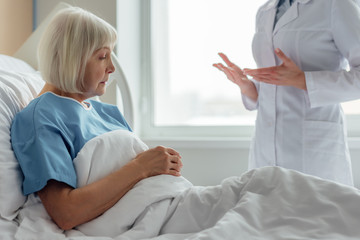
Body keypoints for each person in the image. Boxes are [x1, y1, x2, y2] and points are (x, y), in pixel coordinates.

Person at [10, 7, 183, 231]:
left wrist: (162, 165)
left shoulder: (109, 113)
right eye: (102, 57)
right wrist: (142, 166)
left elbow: (144, 185)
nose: (111, 68)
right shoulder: (42, 117)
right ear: (72, 59)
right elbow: (66, 212)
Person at [213, 0, 360, 186]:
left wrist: (304, 80)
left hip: (313, 150)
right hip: (264, 146)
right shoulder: (266, 11)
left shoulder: (336, 5)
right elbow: (278, 82)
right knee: (262, 211)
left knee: (314, 211)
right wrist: (249, 88)